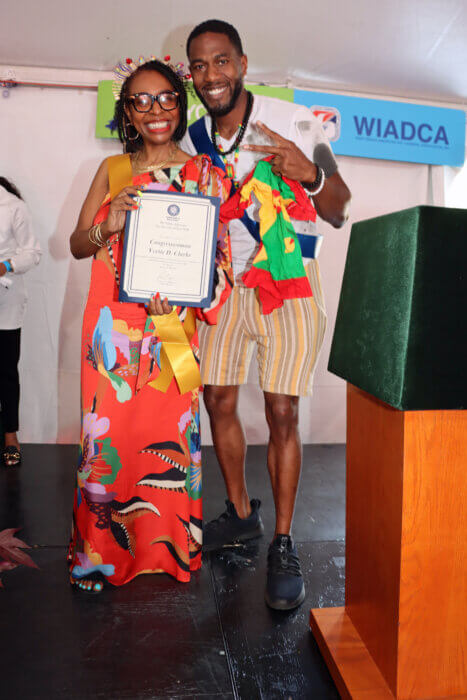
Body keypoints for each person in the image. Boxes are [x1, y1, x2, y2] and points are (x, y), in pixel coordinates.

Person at [180, 20, 351, 610]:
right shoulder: (195, 136)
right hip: (228, 287)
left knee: (282, 410)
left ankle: (283, 542)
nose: (211, 76)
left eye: (221, 61)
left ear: (243, 62)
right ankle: (242, 514)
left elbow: (339, 206)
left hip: (289, 282)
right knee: (217, 399)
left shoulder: (295, 120)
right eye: (199, 66)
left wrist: (313, 173)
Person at [68, 58, 233, 593]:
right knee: (109, 448)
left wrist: (183, 305)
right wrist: (107, 223)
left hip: (171, 334)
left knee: (168, 449)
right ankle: (100, 555)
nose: (155, 110)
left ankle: (167, 550)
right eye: (141, 101)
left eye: (165, 97)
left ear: (180, 103)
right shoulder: (113, 171)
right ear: (128, 113)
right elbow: (76, 245)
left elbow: (221, 263)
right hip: (111, 341)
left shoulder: (207, 173)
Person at [0, 178, 42, 467]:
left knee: (4, 371)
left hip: (6, 297)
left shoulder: (12, 207)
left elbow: (32, 252)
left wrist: (4, 265)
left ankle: (10, 437)